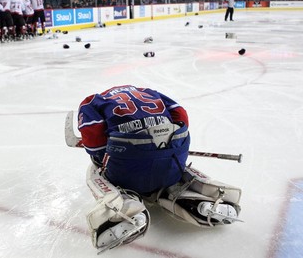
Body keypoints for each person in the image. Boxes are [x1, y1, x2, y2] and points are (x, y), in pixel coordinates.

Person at [77, 85, 242, 251]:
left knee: (95, 167)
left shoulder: (93, 101)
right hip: (171, 160)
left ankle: (122, 210)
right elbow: (181, 116)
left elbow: (95, 142)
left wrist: (105, 154)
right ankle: (199, 198)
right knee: (171, 162)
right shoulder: (149, 92)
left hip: (128, 168)